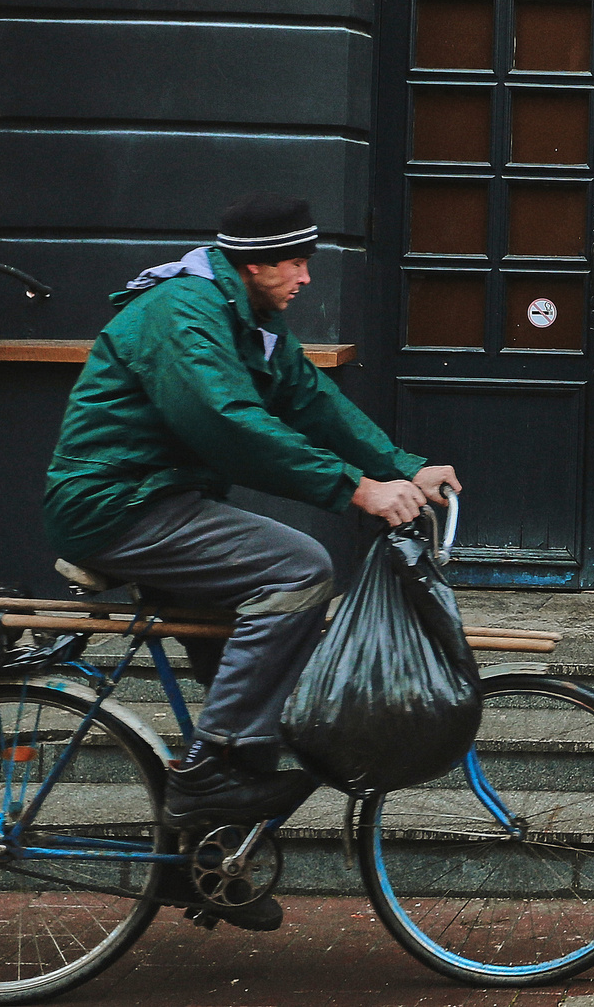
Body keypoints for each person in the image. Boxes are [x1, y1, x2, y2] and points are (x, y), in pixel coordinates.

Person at [42, 193, 457, 928]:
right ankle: (207, 773)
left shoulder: (253, 321)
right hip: (118, 504)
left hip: (162, 499)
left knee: (266, 680)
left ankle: (200, 862)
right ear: (253, 263)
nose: (304, 277)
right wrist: (354, 488)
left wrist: (406, 464)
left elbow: (313, 401)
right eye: (294, 262)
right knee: (298, 567)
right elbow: (227, 423)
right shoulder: (186, 312)